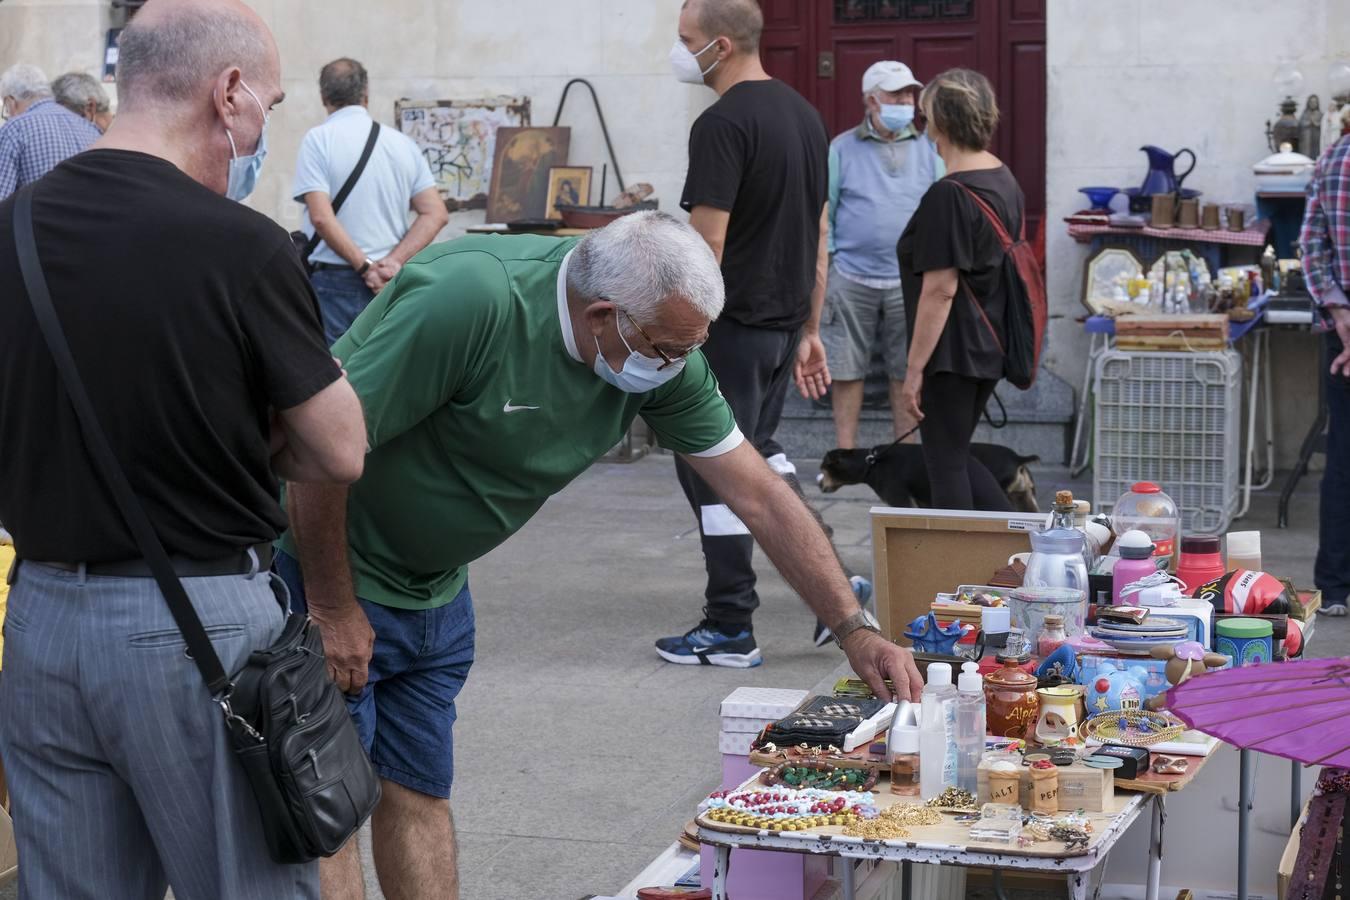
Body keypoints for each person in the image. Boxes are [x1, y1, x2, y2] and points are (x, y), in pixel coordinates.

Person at [275, 211, 922, 900]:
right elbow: (317, 449)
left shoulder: (658, 350)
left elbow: (759, 494)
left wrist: (854, 627)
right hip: (330, 581)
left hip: (434, 593)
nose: (677, 365)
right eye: (667, 347)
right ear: (602, 315)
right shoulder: (471, 300)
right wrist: (332, 605)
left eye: (688, 348)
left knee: (417, 793)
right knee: (331, 814)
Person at [0, 1, 367, 897]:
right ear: (228, 91)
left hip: (41, 618)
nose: (262, 131)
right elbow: (341, 449)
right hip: (196, 625)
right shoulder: (239, 243)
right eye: (271, 109)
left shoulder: (9, 227)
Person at [656, 0, 836, 667]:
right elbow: (818, 231)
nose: (679, 52)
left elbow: (707, 240)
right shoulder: (805, 116)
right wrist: (811, 326)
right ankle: (835, 587)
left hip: (730, 324)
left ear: (722, 45)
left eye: (686, 40)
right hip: (783, 320)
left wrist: (677, 329)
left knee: (712, 465)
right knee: (757, 452)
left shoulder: (722, 123)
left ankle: (731, 624)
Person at [896, 68, 1021, 512]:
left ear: (942, 123)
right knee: (956, 455)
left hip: (952, 352)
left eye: (926, 116)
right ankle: (1024, 549)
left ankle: (961, 568)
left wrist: (914, 370)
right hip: (988, 345)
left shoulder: (948, 194)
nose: (923, 126)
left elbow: (941, 290)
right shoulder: (1004, 178)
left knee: (944, 464)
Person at [823, 60, 943, 449]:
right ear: (871, 100)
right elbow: (828, 208)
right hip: (851, 275)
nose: (906, 101)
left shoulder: (931, 148)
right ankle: (844, 455)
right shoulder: (841, 148)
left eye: (909, 94)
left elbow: (944, 206)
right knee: (845, 369)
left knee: (905, 370)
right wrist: (832, 261)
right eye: (896, 94)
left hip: (910, 279)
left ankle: (906, 456)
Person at [293, 57, 449, 344]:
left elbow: (320, 217)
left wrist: (365, 267)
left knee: (338, 376)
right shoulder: (402, 144)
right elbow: (435, 213)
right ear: (366, 94)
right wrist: (391, 264)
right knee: (385, 374)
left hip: (336, 282)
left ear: (323, 96)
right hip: (392, 281)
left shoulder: (318, 140)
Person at [1300, 127, 1350, 617]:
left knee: (1343, 455)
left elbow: (1310, 248)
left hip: (1344, 329)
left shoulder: (1335, 155)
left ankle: (1334, 587)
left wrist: (1339, 314)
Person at [0, 63, 101, 199]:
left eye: (6, 108)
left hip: (34, 219)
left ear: (10, 101)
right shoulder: (91, 130)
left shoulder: (15, 129)